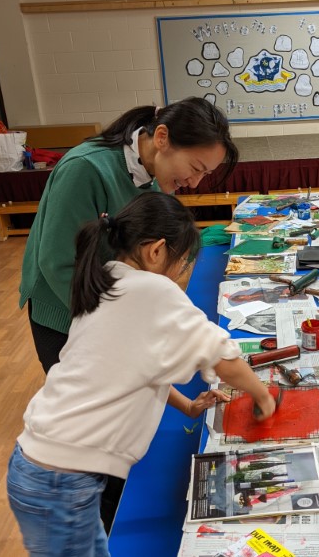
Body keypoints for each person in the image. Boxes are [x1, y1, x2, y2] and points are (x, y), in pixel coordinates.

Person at [7, 193, 275, 557]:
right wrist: (261, 396)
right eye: (185, 265)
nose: (184, 276)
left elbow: (135, 365)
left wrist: (187, 406)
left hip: (49, 469)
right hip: (59, 479)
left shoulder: (109, 281)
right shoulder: (153, 291)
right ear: (156, 252)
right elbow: (223, 352)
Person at [19, 97, 239, 527]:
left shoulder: (152, 176)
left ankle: (106, 519)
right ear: (161, 139)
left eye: (204, 174)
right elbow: (58, 263)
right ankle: (92, 528)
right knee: (93, 437)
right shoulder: (86, 169)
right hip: (68, 312)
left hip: (110, 310)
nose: (194, 182)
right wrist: (125, 323)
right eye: (195, 168)